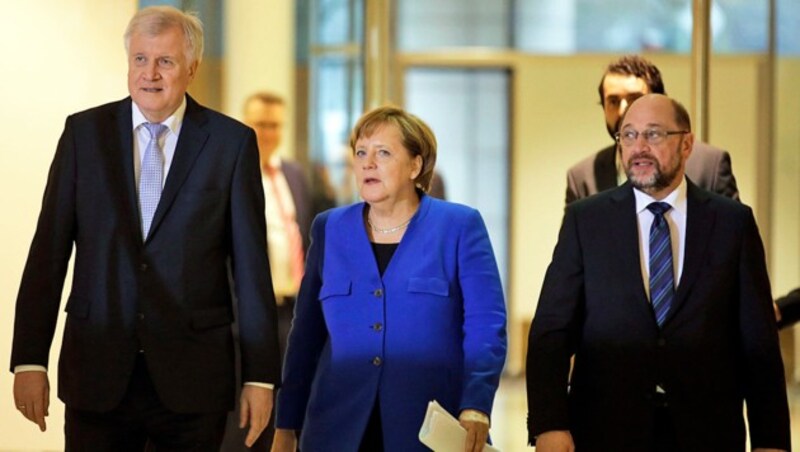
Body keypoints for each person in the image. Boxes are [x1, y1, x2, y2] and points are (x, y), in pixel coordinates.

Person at [10, 6, 281, 450]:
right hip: (97, 373)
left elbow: (252, 271)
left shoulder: (231, 144)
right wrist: (28, 361)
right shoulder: (84, 134)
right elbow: (48, 252)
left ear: (191, 68)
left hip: (193, 380)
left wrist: (260, 376)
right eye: (140, 59)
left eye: (165, 61)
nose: (149, 74)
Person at [527, 94, 790, 451]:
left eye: (653, 135)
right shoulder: (586, 220)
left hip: (707, 433)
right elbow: (551, 331)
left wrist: (770, 440)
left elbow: (758, 344)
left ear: (686, 144)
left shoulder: (732, 223)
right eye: (629, 136)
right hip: (605, 430)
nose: (639, 148)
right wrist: (549, 424)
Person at [271, 106, 507, 452]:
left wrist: (476, 403)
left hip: (428, 428)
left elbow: (486, 325)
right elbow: (306, 336)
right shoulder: (330, 228)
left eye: (383, 153)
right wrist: (286, 424)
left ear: (416, 165)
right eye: (361, 153)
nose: (368, 163)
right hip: (337, 429)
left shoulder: (458, 226)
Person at [221, 92, 314, 451]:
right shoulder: (227, 172)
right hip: (243, 315)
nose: (267, 133)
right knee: (242, 417)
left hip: (290, 311)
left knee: (285, 407)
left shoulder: (294, 174)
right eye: (259, 124)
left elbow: (303, 236)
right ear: (244, 124)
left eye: (274, 125)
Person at [565, 54, 739, 204]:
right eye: (613, 101)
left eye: (634, 99)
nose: (623, 110)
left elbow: (732, 235)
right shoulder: (582, 177)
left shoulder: (710, 166)